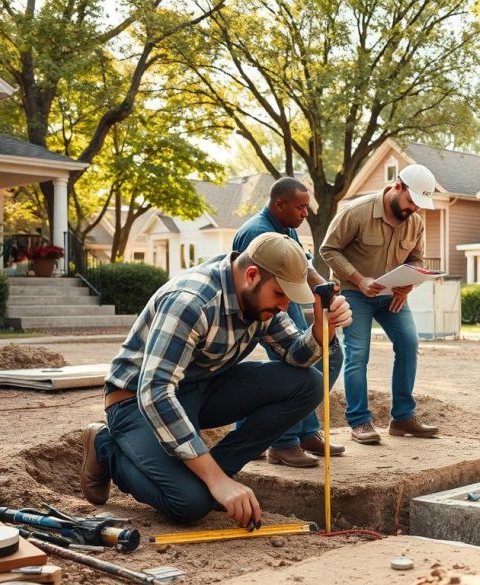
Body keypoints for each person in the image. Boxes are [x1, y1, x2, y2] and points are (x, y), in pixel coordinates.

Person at [79, 233, 352, 526]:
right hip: (136, 403)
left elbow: (295, 356)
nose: (284, 306)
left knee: (307, 384)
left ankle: (215, 476)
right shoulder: (192, 301)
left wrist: (323, 330)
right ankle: (105, 447)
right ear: (251, 275)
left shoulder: (260, 299)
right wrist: (214, 480)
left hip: (197, 390)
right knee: (189, 504)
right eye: (280, 294)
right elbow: (155, 392)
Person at [319, 164, 439, 445]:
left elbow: (416, 260)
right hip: (354, 292)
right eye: (411, 201)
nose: (414, 209)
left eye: (420, 205)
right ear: (398, 186)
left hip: (391, 296)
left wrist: (408, 284)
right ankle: (359, 421)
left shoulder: (416, 222)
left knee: (409, 343)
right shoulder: (356, 212)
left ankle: (402, 418)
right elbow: (328, 249)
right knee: (358, 353)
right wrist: (359, 279)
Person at [232, 177, 345, 468]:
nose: (306, 213)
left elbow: (303, 263)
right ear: (279, 203)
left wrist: (323, 286)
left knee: (325, 357)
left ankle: (303, 432)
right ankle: (283, 442)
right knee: (292, 368)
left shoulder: (285, 228)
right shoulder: (257, 232)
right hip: (272, 307)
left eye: (307, 207)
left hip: (284, 298)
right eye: (301, 207)